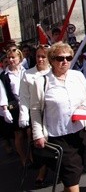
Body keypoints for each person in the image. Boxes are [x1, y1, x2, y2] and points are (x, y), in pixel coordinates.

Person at [30, 42, 86, 192]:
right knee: (71, 178)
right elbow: (34, 110)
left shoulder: (77, 76)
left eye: (69, 57)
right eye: (60, 58)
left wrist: (84, 107)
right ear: (52, 60)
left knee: (71, 178)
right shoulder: (41, 82)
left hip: (79, 133)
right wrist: (37, 134)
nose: (65, 61)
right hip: (57, 136)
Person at [19, 44, 50, 186]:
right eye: (38, 56)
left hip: (53, 114)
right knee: (39, 142)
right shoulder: (28, 74)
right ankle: (42, 171)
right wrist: (24, 116)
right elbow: (24, 97)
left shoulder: (54, 71)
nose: (40, 59)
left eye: (44, 56)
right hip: (36, 113)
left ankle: (61, 170)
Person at [0, 47, 29, 167]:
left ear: (19, 58)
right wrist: (5, 109)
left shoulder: (26, 71)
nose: (11, 60)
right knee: (19, 134)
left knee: (30, 132)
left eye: (13, 57)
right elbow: (2, 93)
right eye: (9, 58)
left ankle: (32, 156)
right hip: (15, 107)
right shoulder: (4, 75)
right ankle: (23, 158)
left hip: (28, 105)